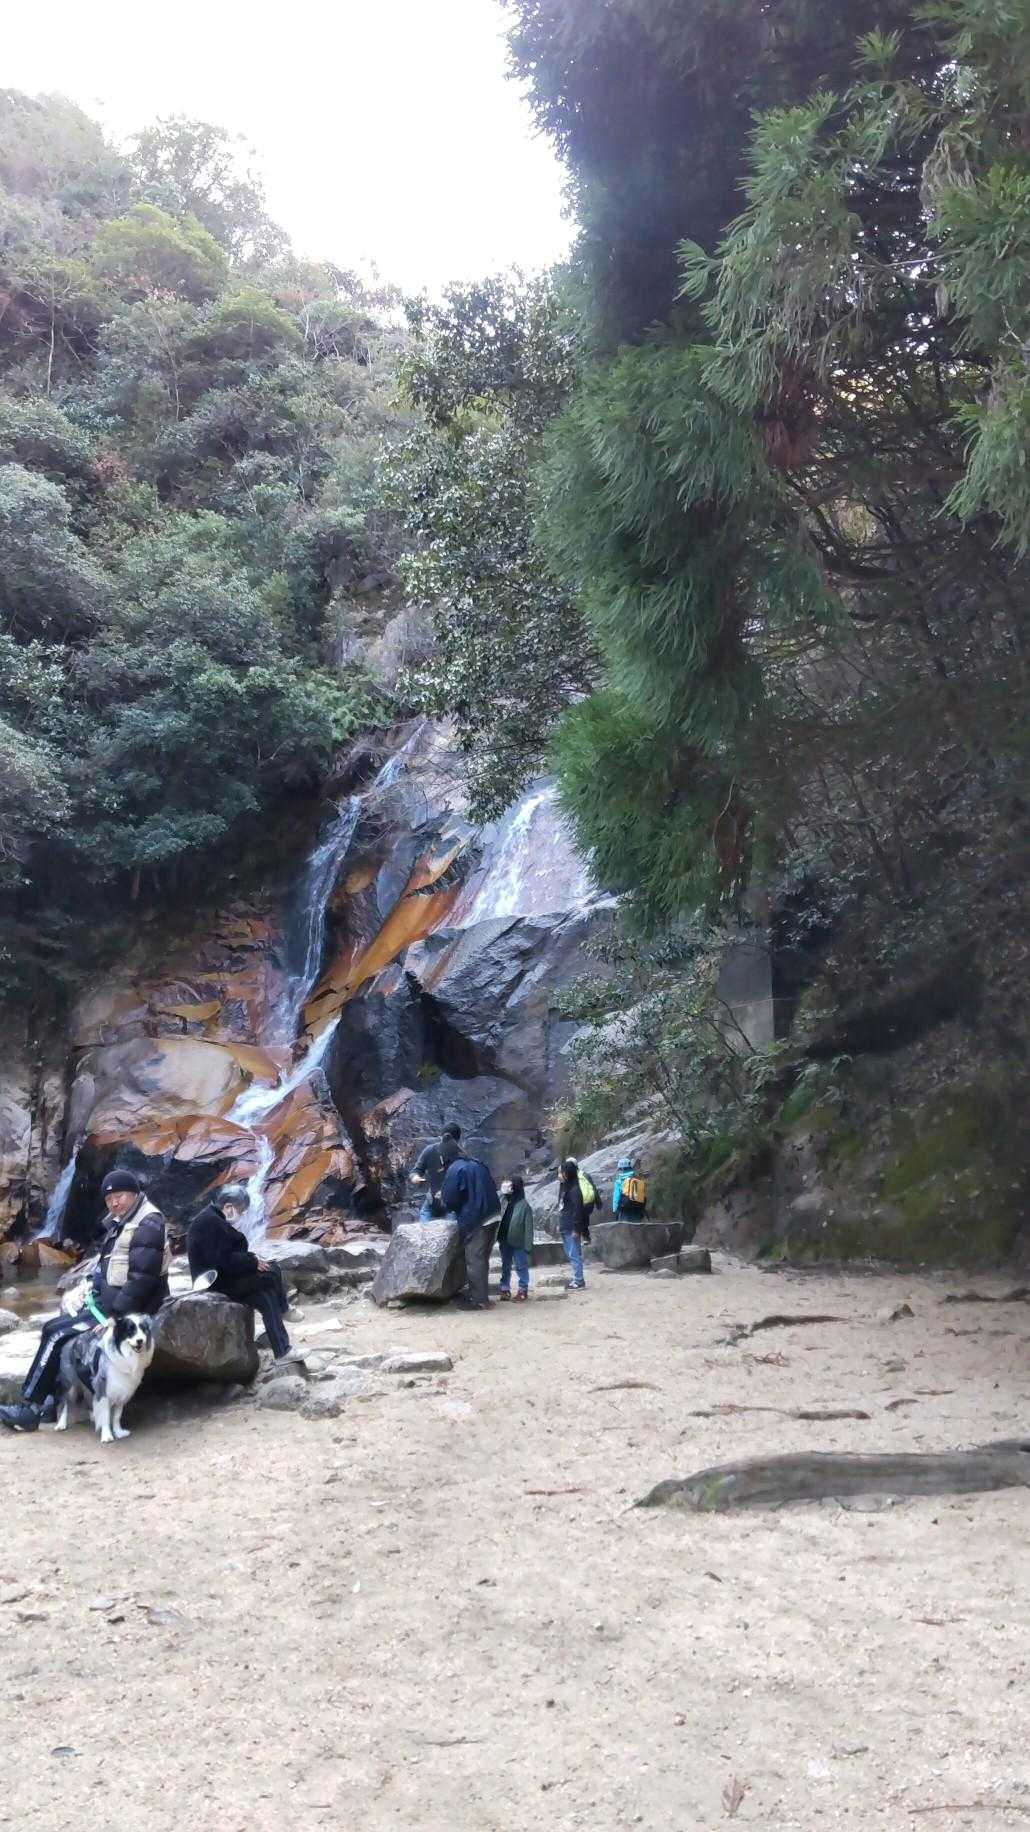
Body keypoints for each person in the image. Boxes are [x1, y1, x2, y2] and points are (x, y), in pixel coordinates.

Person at [0, 1168, 169, 1434]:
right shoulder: (122, 1220)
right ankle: (51, 1402)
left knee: (58, 1335)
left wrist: (115, 1317)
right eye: (109, 1199)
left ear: (134, 1193)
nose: (114, 1203)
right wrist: (89, 1286)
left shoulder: (148, 1223)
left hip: (126, 1310)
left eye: (119, 1196)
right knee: (52, 1328)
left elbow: (142, 1279)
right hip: (109, 1302)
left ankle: (30, 1409)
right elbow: (107, 1263)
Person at [186, 1184, 292, 1361]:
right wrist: (252, 1261)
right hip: (214, 1283)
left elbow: (225, 1256)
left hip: (221, 1279)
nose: (242, 1215)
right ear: (228, 1207)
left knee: (266, 1297)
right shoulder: (211, 1223)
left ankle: (283, 1351)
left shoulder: (211, 1217)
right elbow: (222, 1261)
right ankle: (285, 1309)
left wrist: (252, 1260)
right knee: (272, 1271)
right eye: (241, 1211)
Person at [440, 1147, 501, 1310]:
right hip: (494, 1214)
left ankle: (479, 1300)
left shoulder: (455, 1169)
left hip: (477, 1217)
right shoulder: (477, 1163)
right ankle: (482, 1296)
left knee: (474, 1259)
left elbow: (449, 1198)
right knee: (482, 1258)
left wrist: (445, 1203)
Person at [409, 1124, 462, 1221]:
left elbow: (463, 1185)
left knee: (451, 1225)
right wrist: (415, 1177)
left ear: (457, 1141)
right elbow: (416, 1170)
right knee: (423, 1222)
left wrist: (446, 1192)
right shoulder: (430, 1150)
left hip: (452, 1205)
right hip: (432, 1201)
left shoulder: (461, 1157)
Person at [497, 1176, 534, 1302]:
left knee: (521, 1266)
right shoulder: (503, 1200)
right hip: (504, 1239)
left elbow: (529, 1228)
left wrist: (528, 1246)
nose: (506, 1184)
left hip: (519, 1242)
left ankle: (523, 1289)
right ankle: (505, 1288)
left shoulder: (524, 1205)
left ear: (515, 1186)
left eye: (510, 1183)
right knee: (505, 1265)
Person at [558, 1158, 588, 1291]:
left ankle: (579, 1280)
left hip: (571, 1226)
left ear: (568, 1173)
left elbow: (577, 1210)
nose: (559, 1175)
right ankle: (577, 1278)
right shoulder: (566, 1187)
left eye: (561, 1172)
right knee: (571, 1253)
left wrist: (576, 1228)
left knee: (574, 1253)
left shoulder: (575, 1190)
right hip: (565, 1225)